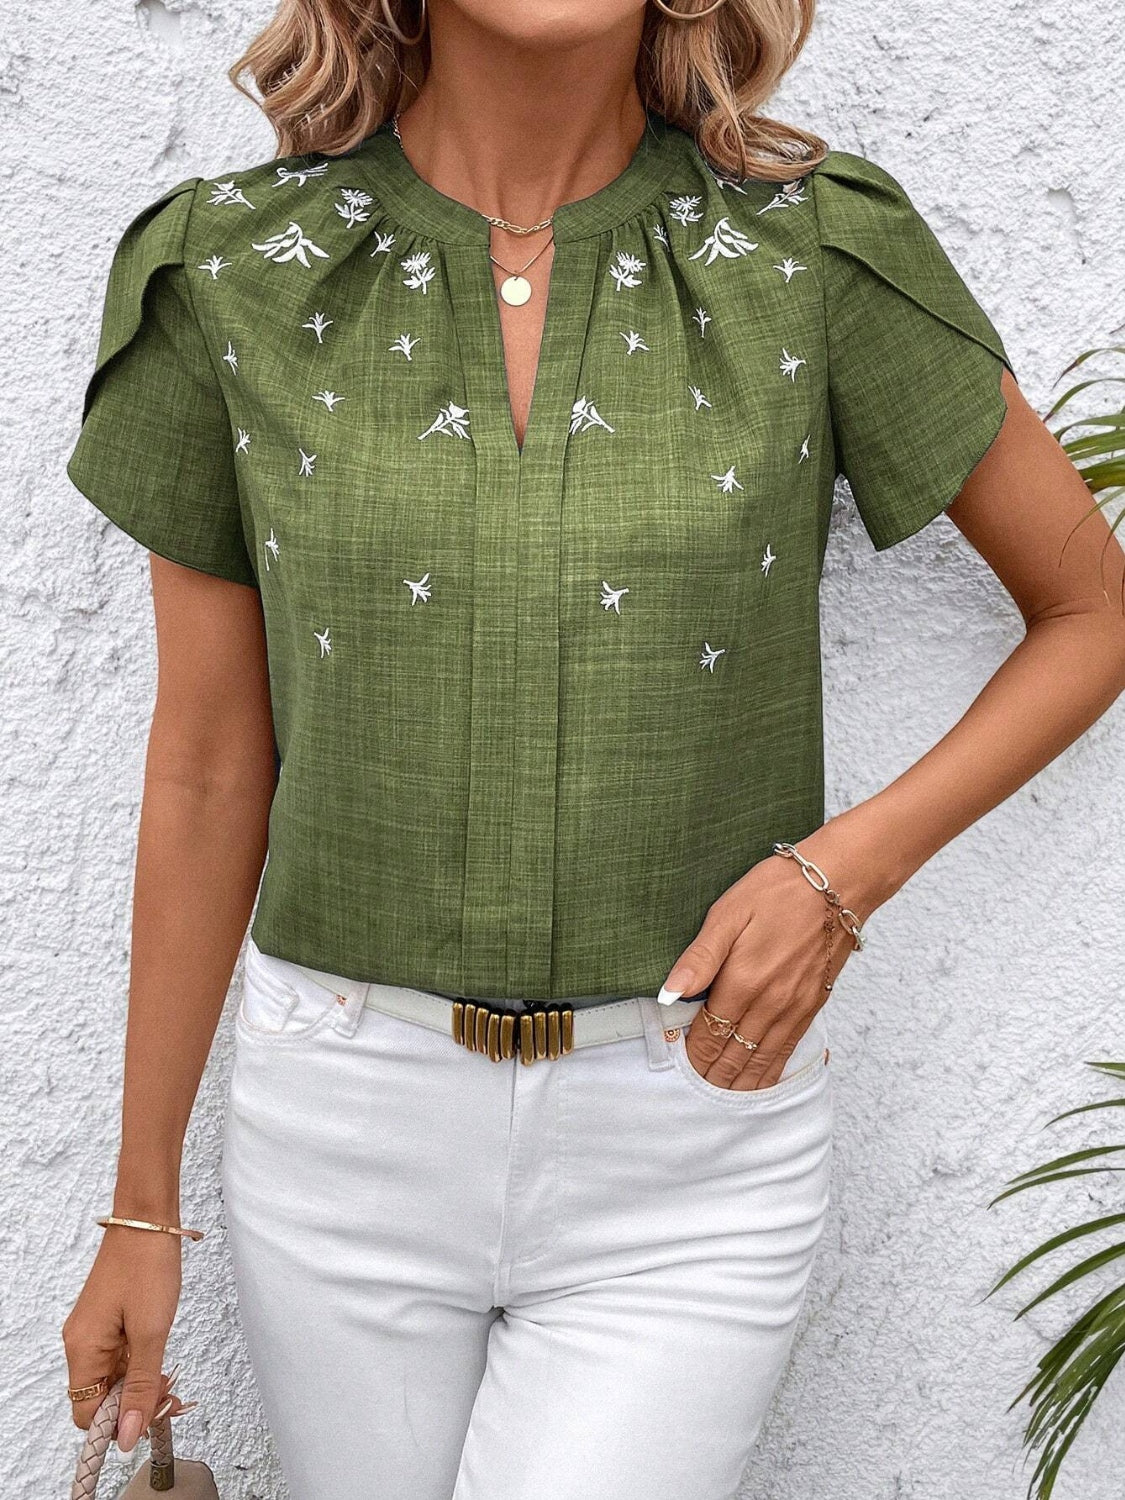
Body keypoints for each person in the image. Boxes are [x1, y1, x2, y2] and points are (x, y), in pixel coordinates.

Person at [59, 1, 1125, 1496]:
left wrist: (841, 875)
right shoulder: (235, 265)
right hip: (342, 1132)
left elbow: (1091, 611)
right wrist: (141, 1206)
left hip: (691, 1134)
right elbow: (208, 764)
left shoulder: (809, 250)